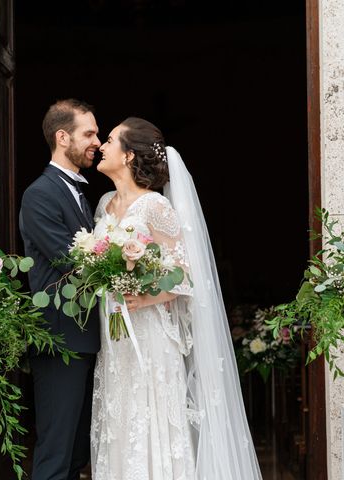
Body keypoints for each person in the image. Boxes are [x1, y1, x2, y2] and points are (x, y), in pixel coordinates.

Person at [91, 117, 263, 479]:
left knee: (150, 417)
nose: (101, 146)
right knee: (119, 419)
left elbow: (186, 276)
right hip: (115, 335)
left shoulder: (156, 207)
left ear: (127, 155)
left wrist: (146, 297)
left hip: (151, 335)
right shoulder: (105, 204)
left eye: (109, 140)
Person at [19, 99, 101, 480]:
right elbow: (70, 261)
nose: (96, 142)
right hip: (59, 341)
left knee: (75, 455)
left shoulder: (79, 192)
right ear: (62, 136)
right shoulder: (40, 194)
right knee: (55, 454)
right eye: (89, 133)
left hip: (84, 340)